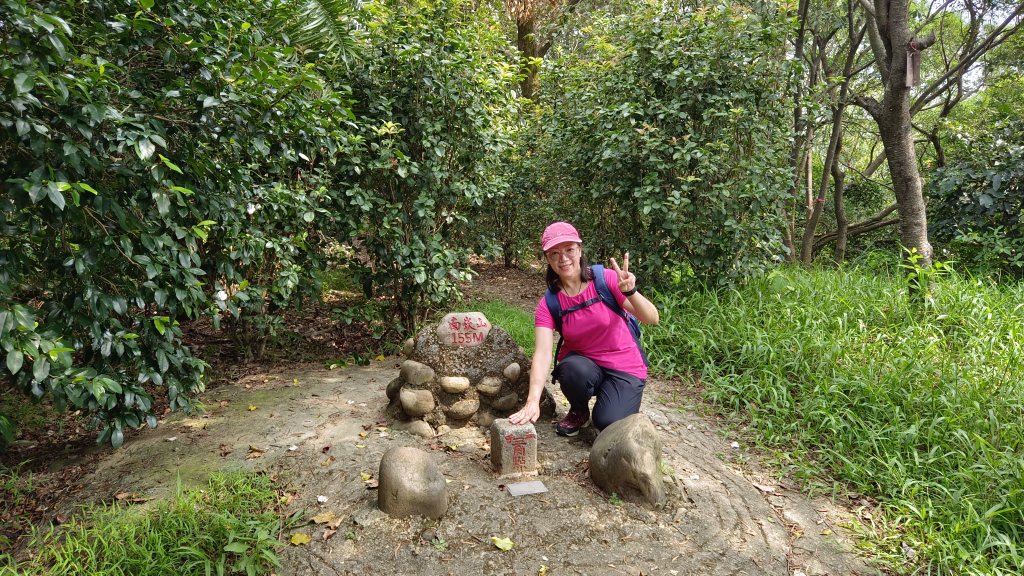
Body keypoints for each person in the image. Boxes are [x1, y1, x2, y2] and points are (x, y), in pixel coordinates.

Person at [509, 221, 659, 436]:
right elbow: (542, 354)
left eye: (569, 249)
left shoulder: (606, 280)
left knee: (608, 422)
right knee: (571, 369)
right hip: (585, 367)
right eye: (554, 253)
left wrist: (631, 292)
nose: (563, 258)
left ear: (579, 250)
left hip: (625, 365)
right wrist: (532, 401)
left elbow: (652, 318)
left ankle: (614, 402)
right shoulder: (549, 303)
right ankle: (579, 411)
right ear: (548, 259)